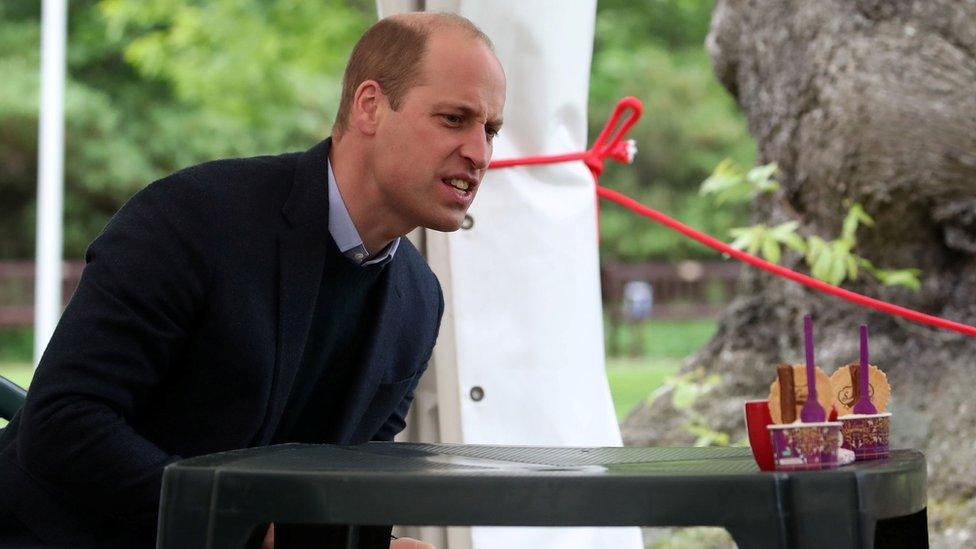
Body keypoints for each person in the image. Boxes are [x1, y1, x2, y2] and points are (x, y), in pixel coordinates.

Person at [0, 11, 505, 548]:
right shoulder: (194, 217)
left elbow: (349, 484)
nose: (479, 153)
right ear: (370, 107)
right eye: (454, 119)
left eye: (490, 130)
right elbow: (63, 424)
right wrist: (246, 529)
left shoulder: (419, 299)